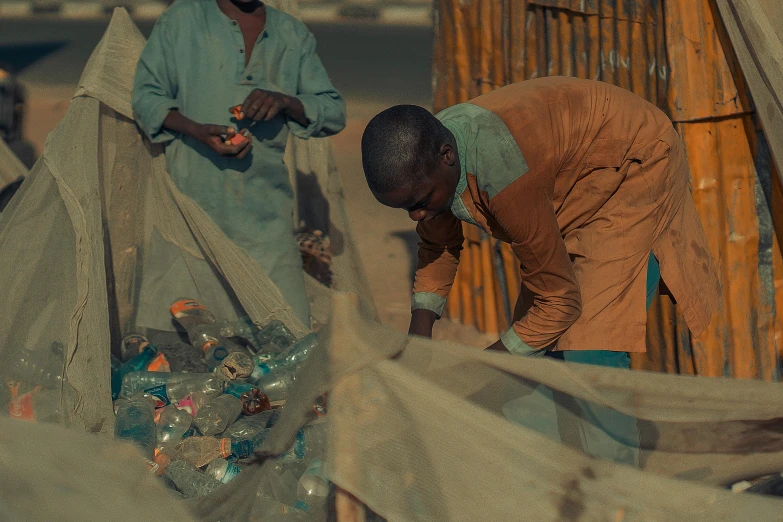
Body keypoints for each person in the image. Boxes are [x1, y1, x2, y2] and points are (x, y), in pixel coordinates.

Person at [360, 76, 721, 465]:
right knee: (542, 352)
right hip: (569, 179)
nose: (416, 215)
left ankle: (617, 489)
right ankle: (579, 467)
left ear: (448, 156)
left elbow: (559, 302)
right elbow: (438, 244)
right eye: (404, 209)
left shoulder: (501, 174)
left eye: (419, 202)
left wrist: (488, 370)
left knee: (588, 349)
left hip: (629, 165)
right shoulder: (431, 163)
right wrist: (419, 341)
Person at [132, 0, 346, 325]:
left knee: (285, 341)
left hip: (265, 225)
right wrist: (195, 130)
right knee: (182, 349)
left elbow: (333, 112)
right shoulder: (182, 20)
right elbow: (145, 97)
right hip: (190, 218)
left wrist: (286, 101)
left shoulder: (291, 35)